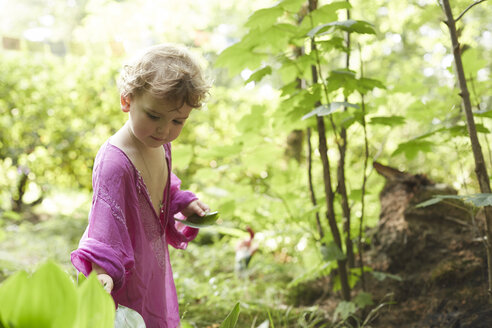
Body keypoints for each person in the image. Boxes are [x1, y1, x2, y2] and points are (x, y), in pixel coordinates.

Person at [71, 43, 211, 328]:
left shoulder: (161, 145)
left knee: (153, 314)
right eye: (154, 116)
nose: (164, 130)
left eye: (178, 121)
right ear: (127, 101)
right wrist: (102, 272)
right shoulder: (116, 163)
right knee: (131, 318)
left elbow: (158, 191)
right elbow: (104, 224)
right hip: (121, 270)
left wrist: (182, 200)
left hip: (151, 263)